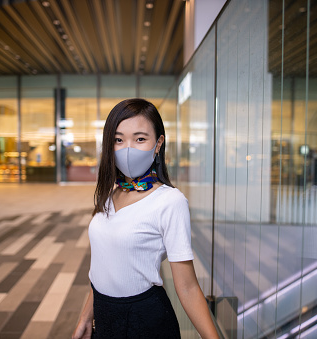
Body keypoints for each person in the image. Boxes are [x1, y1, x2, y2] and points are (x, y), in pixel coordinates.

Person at [72, 98, 219, 339]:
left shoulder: (170, 201)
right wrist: (86, 317)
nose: (128, 148)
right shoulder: (112, 193)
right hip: (105, 317)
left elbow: (188, 287)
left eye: (140, 139)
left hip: (145, 321)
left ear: (158, 143)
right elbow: (103, 266)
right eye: (118, 140)